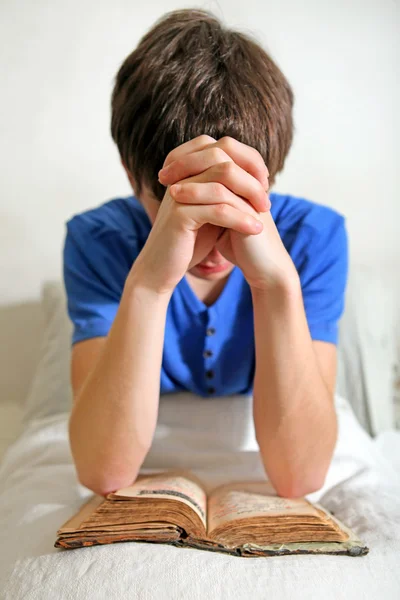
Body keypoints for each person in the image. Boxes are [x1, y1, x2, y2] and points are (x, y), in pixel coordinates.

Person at [63, 8, 348, 499]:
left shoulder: (313, 237)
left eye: (238, 199)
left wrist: (276, 285)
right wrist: (150, 286)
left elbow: (299, 477)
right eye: (179, 202)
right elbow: (103, 472)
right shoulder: (100, 240)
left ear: (270, 177)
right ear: (134, 180)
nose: (212, 234)